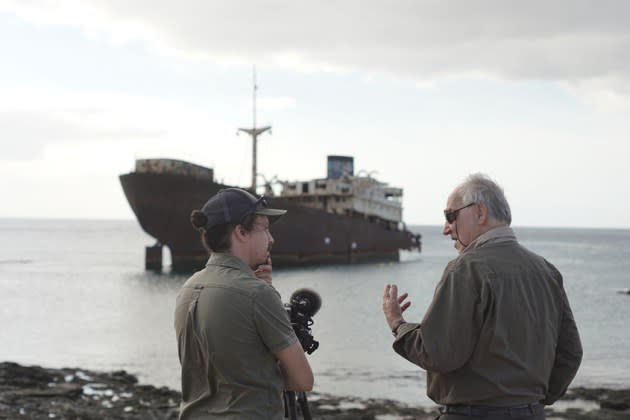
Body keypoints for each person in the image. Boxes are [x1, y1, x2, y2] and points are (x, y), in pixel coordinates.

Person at [382, 174, 582, 420]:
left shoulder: (467, 268)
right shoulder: (546, 270)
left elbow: (439, 353)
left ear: (479, 212)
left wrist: (398, 324)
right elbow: (570, 353)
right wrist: (533, 401)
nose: (446, 228)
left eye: (450, 216)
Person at [174, 188, 313, 419]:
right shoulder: (258, 294)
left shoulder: (187, 289)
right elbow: (303, 380)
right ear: (241, 232)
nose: (271, 239)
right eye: (265, 229)